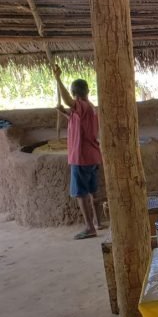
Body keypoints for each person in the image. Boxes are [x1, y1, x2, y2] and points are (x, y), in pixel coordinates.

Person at [53, 65, 104, 240]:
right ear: (87, 91)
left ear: (75, 94)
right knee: (92, 191)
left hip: (81, 158)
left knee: (80, 194)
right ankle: (98, 221)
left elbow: (68, 101)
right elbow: (78, 121)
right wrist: (65, 114)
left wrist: (58, 78)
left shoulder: (80, 105)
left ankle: (90, 228)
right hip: (92, 156)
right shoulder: (90, 108)